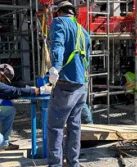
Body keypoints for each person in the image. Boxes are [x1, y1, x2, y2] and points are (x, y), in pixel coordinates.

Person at [0, 63, 49, 167]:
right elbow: (13, 91)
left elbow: (7, 93)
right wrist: (38, 90)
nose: (5, 83)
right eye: (5, 80)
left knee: (10, 111)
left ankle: (5, 144)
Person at [47, 1, 91, 167]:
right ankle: (73, 163)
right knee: (74, 127)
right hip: (81, 85)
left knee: (55, 127)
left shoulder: (59, 22)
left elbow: (57, 44)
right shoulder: (83, 31)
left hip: (65, 84)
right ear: (73, 13)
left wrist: (55, 68)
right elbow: (87, 58)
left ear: (59, 12)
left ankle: (55, 164)